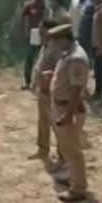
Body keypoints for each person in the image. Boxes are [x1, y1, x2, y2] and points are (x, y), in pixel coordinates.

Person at [48, 24, 90, 203]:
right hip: (62, 105)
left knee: (72, 150)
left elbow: (76, 90)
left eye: (55, 41)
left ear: (64, 39)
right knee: (66, 148)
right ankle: (72, 176)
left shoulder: (76, 58)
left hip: (68, 108)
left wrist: (67, 115)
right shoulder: (69, 54)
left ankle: (78, 188)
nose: (53, 46)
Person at [29, 19, 65, 161]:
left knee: (56, 125)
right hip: (42, 90)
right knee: (43, 122)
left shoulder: (57, 48)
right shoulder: (45, 44)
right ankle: (42, 150)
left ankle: (63, 155)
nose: (39, 31)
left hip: (52, 91)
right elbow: (39, 65)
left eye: (42, 28)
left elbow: (60, 69)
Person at [21, 0, 48, 90]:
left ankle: (40, 83)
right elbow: (25, 19)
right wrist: (25, 33)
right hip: (33, 33)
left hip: (43, 33)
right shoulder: (29, 5)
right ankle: (28, 82)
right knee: (30, 58)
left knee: (42, 59)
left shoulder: (46, 6)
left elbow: (47, 19)